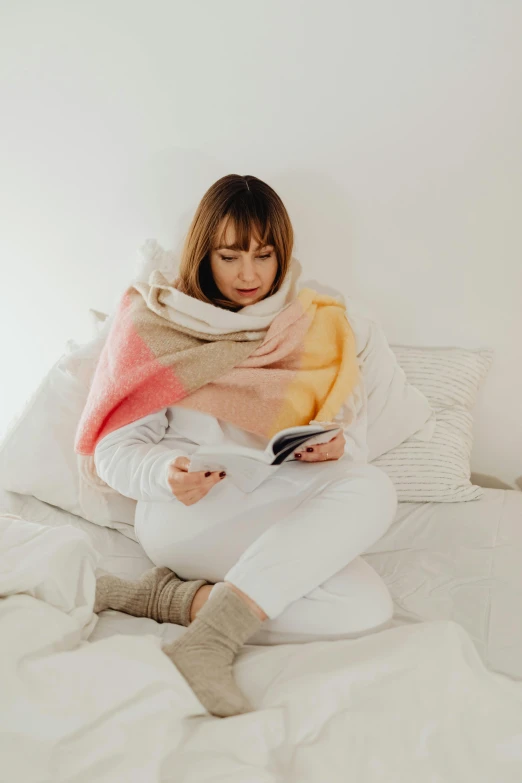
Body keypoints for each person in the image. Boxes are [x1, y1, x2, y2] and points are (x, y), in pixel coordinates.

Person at [83, 174, 397, 719]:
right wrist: (166, 473)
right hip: (187, 511)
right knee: (367, 501)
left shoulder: (314, 326)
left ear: (283, 254)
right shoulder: (159, 324)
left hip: (275, 498)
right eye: (229, 256)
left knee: (366, 602)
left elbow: (353, 449)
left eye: (263, 255)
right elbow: (115, 451)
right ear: (204, 254)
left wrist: (334, 449)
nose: (248, 274)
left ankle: (166, 600)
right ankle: (211, 644)